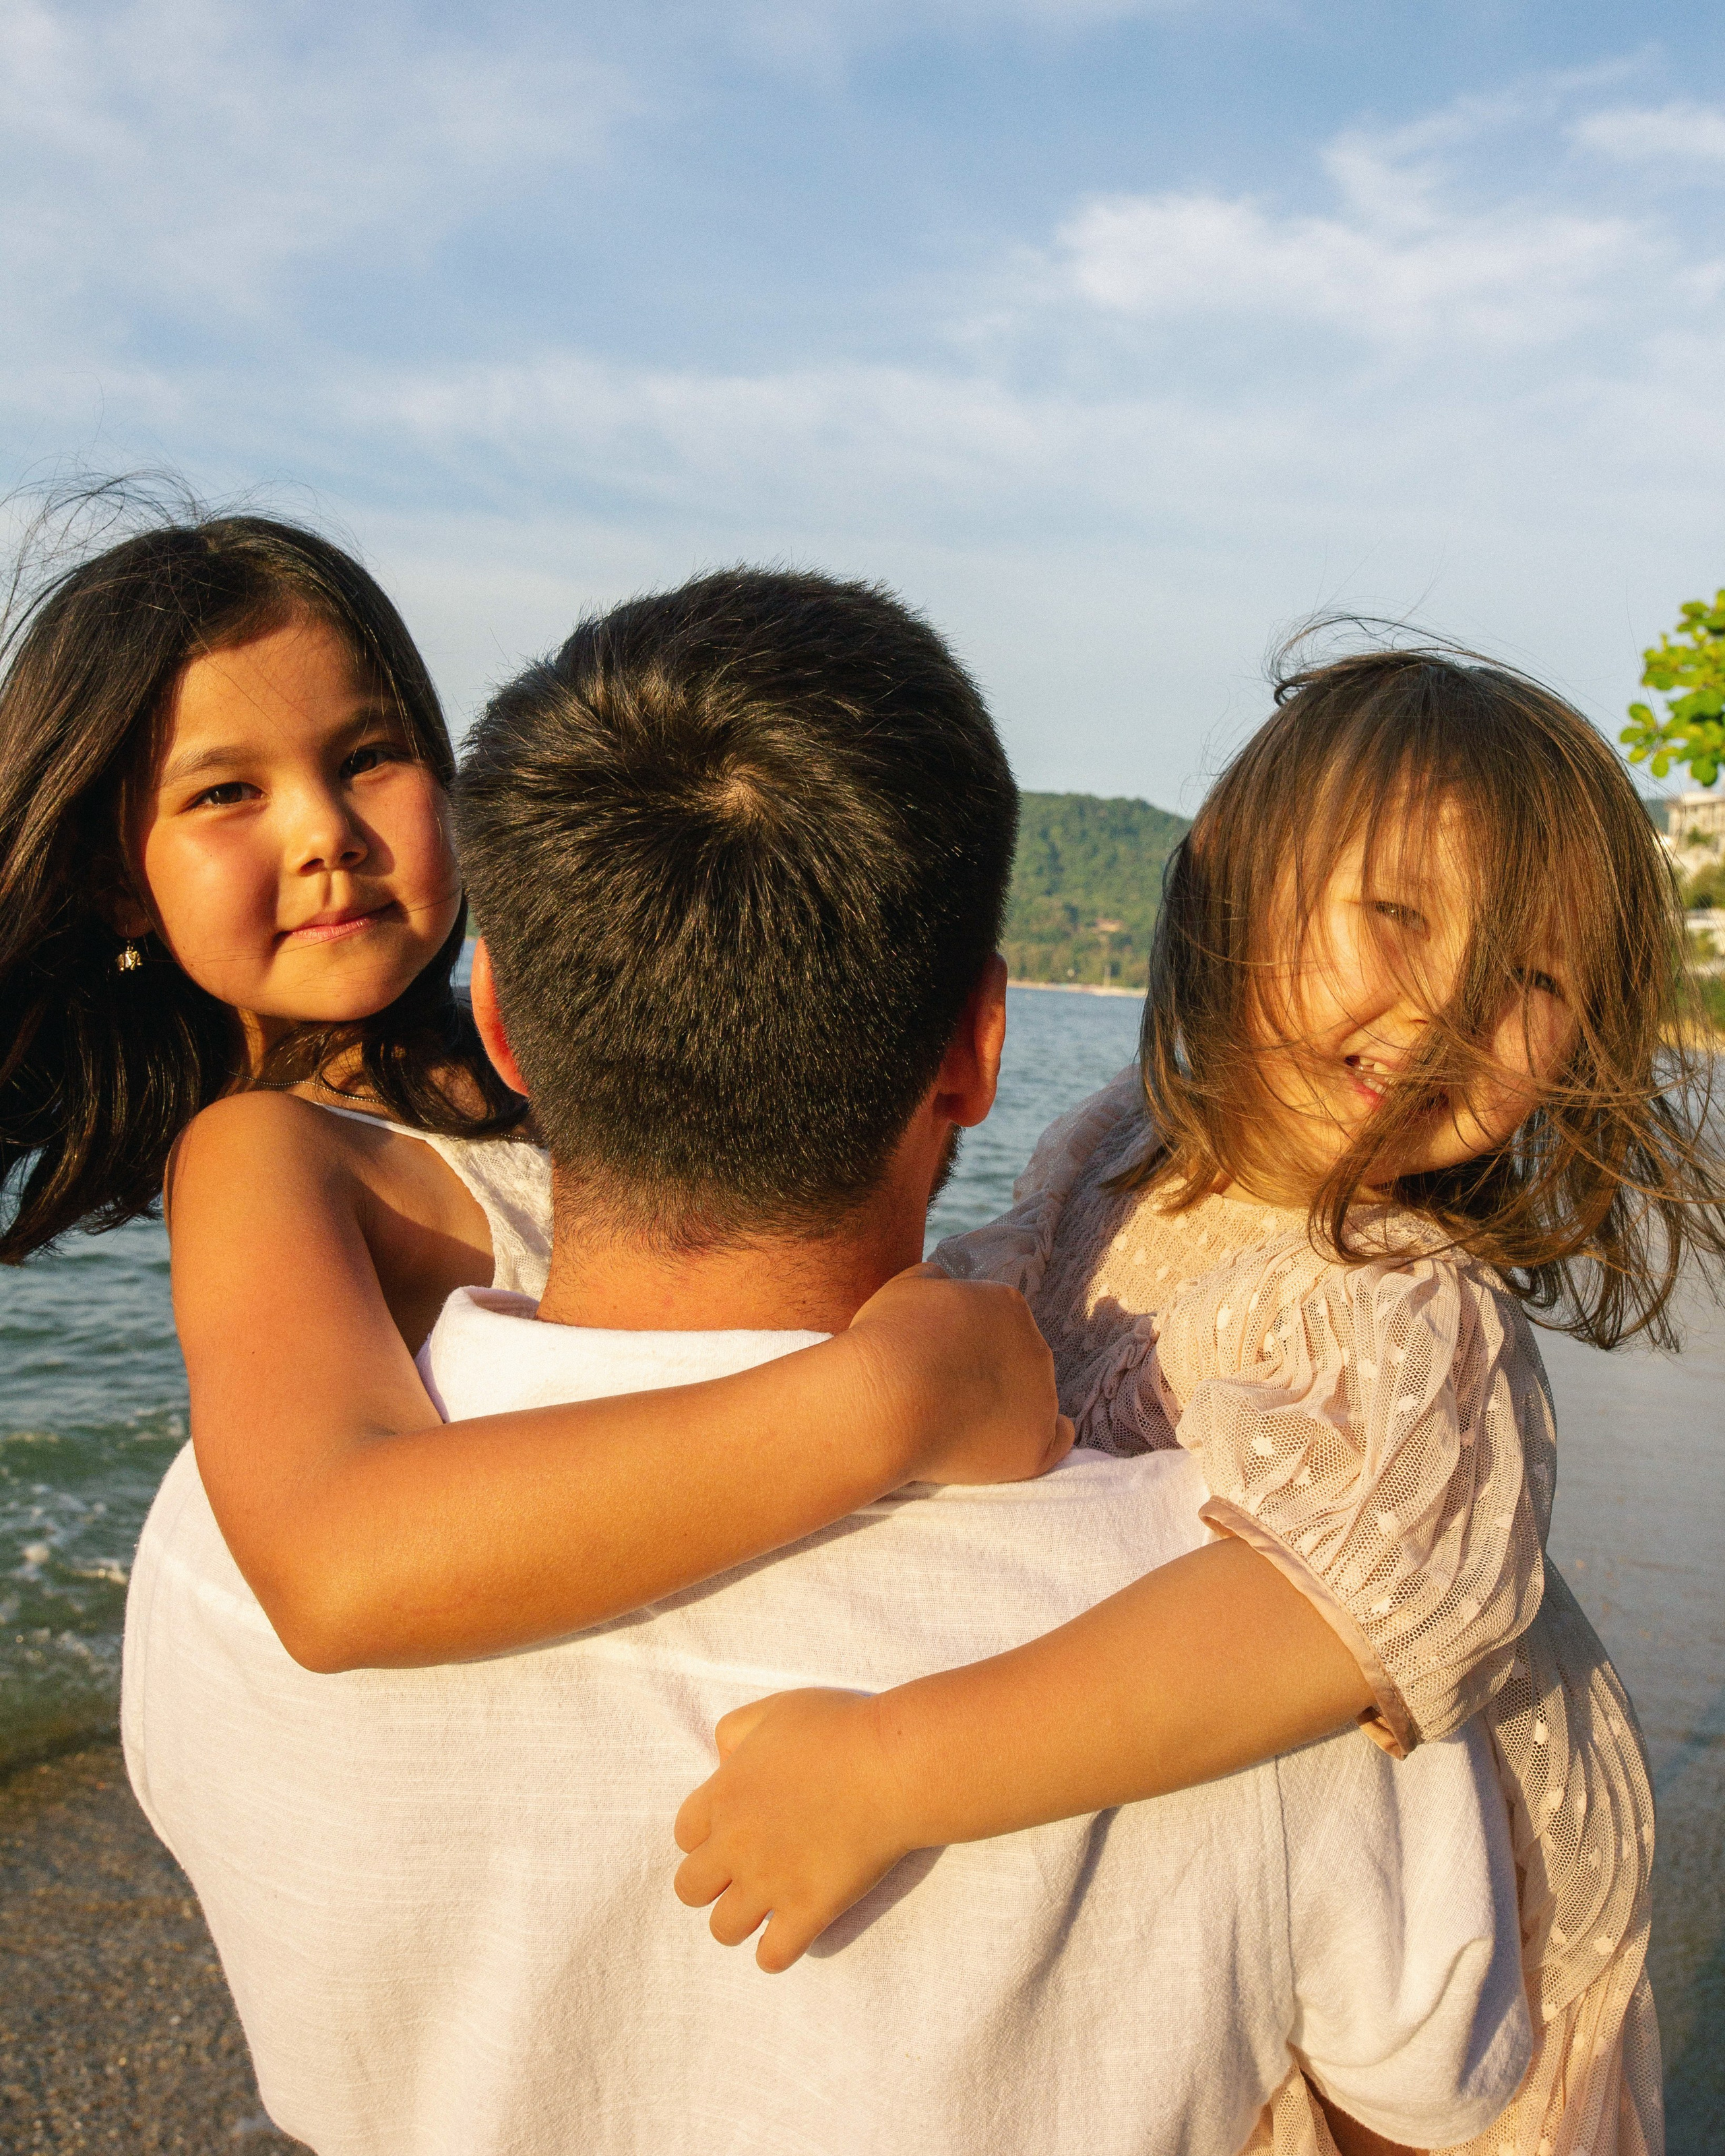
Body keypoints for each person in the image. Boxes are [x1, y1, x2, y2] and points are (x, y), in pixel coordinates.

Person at [125, 570, 1534, 2156]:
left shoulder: (201, 1558)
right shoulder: (1246, 1644)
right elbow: (1426, 2107)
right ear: (980, 1047)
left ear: (508, 1026)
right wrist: (900, 1394)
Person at [675, 647, 1725, 2156]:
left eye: (1527, 981)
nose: (1438, 1011)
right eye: (1394, 916)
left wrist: (889, 1768)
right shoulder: (1120, 1142)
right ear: (1230, 872)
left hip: (1452, 1889)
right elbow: (990, 1283)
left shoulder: (1405, 1302)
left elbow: (1313, 1621)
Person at [0, 507, 1066, 1677]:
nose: (326, 834)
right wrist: (898, 1393)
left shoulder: (538, 1062)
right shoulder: (262, 1157)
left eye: (367, 756)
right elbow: (336, 1569)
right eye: (224, 795)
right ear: (118, 884)